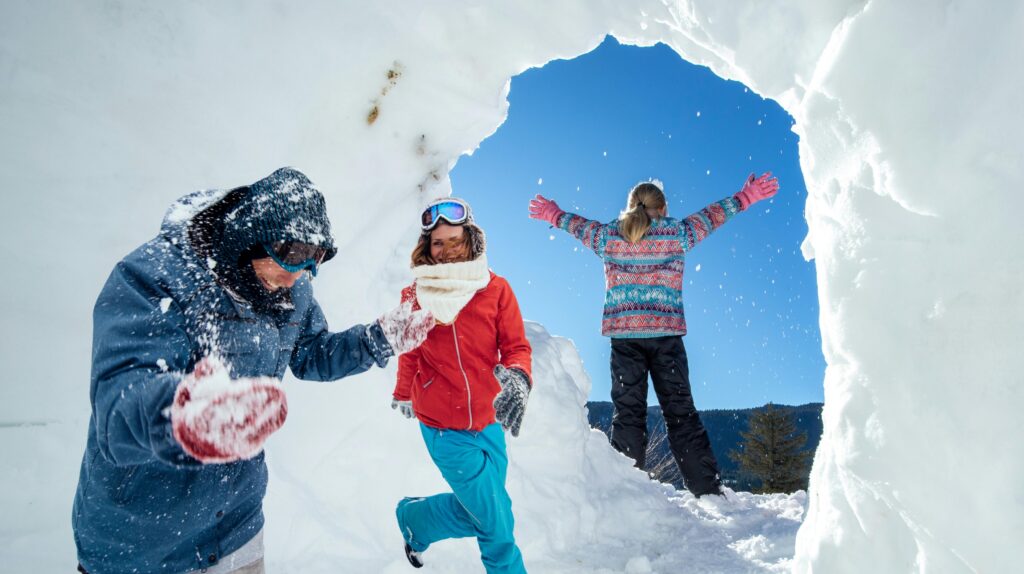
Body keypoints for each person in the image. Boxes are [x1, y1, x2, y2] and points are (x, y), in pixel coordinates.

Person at [72, 167, 434, 574]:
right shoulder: (155, 277)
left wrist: (378, 339)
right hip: (141, 543)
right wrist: (181, 417)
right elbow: (118, 405)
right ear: (250, 236)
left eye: (314, 259)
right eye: (291, 254)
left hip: (235, 525)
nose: (297, 274)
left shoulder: (293, 289)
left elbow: (312, 355)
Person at [528, 173, 779, 497]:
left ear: (631, 206)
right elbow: (712, 217)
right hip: (666, 338)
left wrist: (553, 214)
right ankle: (706, 490)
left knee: (628, 415)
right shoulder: (676, 233)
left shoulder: (610, 236)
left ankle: (623, 491)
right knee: (680, 414)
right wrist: (745, 198)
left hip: (625, 339)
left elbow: (579, 227)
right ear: (663, 208)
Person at [390, 197, 532, 573]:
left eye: (454, 240)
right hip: (443, 427)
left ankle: (415, 520)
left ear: (471, 239)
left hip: (489, 421)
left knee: (490, 513)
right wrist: (403, 391)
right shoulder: (415, 296)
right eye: (438, 243)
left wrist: (519, 376)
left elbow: (516, 347)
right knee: (497, 527)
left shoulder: (495, 290)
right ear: (427, 248)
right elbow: (410, 350)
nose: (448, 250)